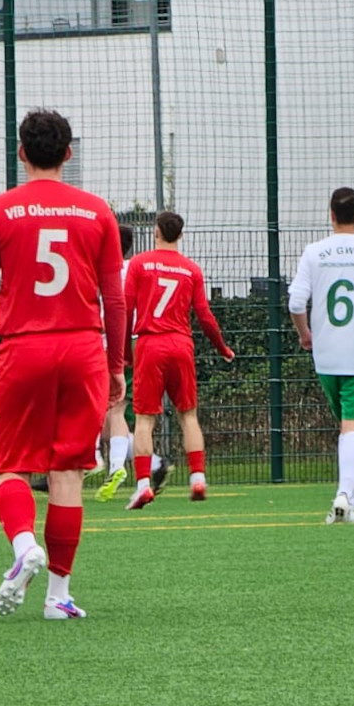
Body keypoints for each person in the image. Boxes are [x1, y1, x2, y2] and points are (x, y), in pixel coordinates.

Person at [0, 108, 126, 620]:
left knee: (8, 462)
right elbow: (115, 299)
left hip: (24, 347)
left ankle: (21, 548)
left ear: (20, 153)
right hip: (83, 349)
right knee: (69, 472)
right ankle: (59, 596)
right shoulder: (97, 211)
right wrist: (117, 363)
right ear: (69, 154)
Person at [288, 187, 354, 525]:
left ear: (330, 214)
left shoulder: (314, 252)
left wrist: (305, 335)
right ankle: (345, 494)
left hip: (327, 353)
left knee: (350, 426)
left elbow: (295, 303)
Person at [124, 210, 234, 510]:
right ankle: (198, 478)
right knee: (188, 415)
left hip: (149, 343)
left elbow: (126, 309)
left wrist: (122, 351)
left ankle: (144, 485)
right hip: (181, 344)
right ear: (181, 235)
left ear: (156, 232)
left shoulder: (139, 263)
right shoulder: (191, 270)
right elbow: (205, 317)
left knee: (145, 419)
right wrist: (222, 347)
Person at [95, 222, 173, 503]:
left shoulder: (103, 272)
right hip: (139, 343)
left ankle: (99, 461)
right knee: (113, 413)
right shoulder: (139, 268)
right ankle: (152, 464)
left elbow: (115, 310)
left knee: (100, 408)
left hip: (108, 345)